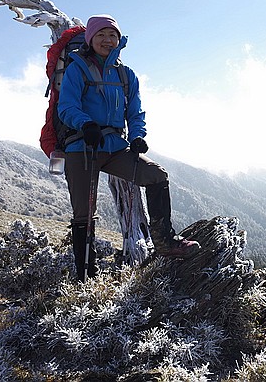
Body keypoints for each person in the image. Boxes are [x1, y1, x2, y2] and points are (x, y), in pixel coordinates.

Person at [57, 14, 200, 281]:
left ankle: (166, 243)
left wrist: (137, 136)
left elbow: (135, 112)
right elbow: (66, 107)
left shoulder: (126, 75)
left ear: (119, 40)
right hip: (82, 148)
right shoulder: (77, 68)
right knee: (84, 214)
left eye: (112, 35)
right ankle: (85, 276)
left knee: (157, 176)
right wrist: (85, 124)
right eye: (101, 35)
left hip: (115, 147)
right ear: (91, 38)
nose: (107, 40)